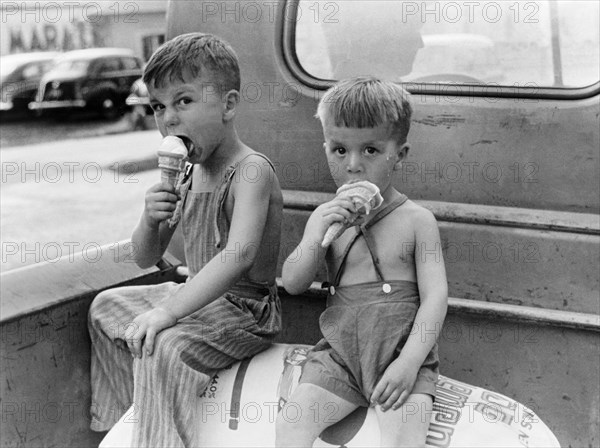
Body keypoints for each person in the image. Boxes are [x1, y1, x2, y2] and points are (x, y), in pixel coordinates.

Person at [88, 33, 283, 447]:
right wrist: (150, 217)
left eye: (184, 101)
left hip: (244, 311)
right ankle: (127, 426)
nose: (169, 119)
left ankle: (162, 441)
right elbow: (146, 257)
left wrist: (167, 313)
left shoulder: (251, 171)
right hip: (197, 298)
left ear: (228, 105)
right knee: (106, 309)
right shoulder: (188, 174)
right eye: (158, 106)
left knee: (164, 344)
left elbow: (239, 255)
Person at [276, 77, 447, 447]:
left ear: (398, 154)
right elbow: (293, 282)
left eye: (370, 150)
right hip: (340, 359)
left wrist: (409, 364)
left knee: (404, 440)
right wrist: (316, 236)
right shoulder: (325, 218)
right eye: (339, 150)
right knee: (292, 423)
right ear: (325, 149)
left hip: (402, 354)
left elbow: (435, 298)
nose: (353, 165)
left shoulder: (418, 221)